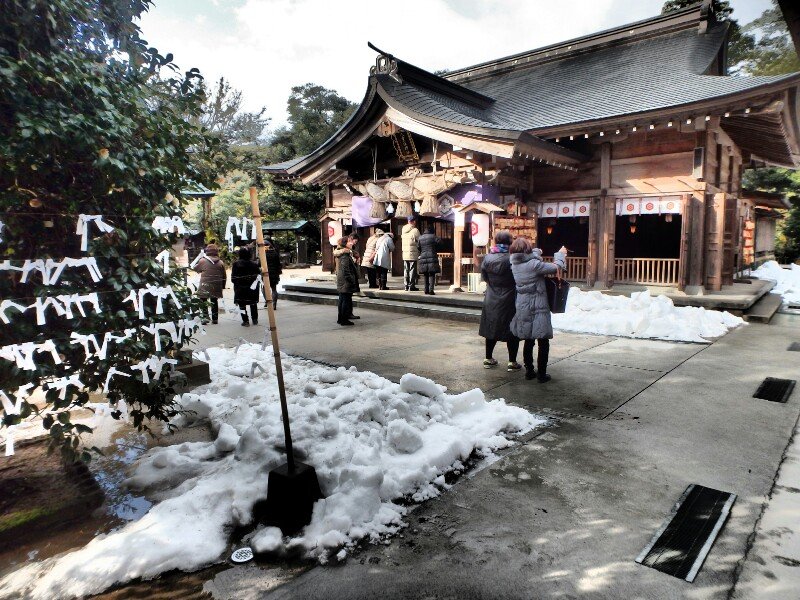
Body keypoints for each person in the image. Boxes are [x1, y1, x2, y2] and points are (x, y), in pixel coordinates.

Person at [509, 237, 567, 382]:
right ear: (528, 250)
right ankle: (542, 374)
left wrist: (537, 252)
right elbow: (556, 267)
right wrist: (560, 254)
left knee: (529, 340)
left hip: (523, 305)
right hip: (538, 306)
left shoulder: (514, 264)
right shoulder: (534, 265)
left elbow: (530, 259)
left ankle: (529, 371)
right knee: (543, 341)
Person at [479, 230, 521, 371]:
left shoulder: (487, 257)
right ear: (510, 242)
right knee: (512, 330)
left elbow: (485, 277)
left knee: (491, 328)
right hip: (510, 298)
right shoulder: (513, 258)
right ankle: (512, 362)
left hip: (491, 297)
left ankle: (488, 358)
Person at [194, 243, 226, 325]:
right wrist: (223, 286)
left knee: (203, 300)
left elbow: (196, 269)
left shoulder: (202, 260)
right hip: (216, 285)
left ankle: (205, 318)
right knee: (214, 301)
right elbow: (224, 276)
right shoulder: (221, 262)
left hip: (205, 285)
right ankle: (215, 319)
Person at [334, 236, 360, 326]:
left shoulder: (346, 252)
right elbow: (345, 269)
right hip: (345, 281)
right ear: (345, 243)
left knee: (343, 299)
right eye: (349, 241)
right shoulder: (344, 254)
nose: (351, 243)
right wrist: (351, 279)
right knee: (345, 299)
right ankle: (344, 319)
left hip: (342, 280)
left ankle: (341, 318)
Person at [231, 247, 260, 327]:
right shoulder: (254, 264)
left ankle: (245, 321)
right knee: (253, 303)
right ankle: (255, 319)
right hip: (252, 288)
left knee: (242, 304)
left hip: (240, 288)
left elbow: (233, 278)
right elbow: (258, 275)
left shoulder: (236, 264)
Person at [417, 226, 441, 295]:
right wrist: (435, 248)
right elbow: (440, 243)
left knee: (425, 274)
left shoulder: (420, 237)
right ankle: (431, 290)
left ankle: (426, 290)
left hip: (423, 256)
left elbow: (418, 247)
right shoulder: (433, 236)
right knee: (432, 274)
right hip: (432, 256)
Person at [401, 216, 421, 291]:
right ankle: (411, 286)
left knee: (406, 269)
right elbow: (419, 241)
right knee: (412, 270)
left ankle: (406, 285)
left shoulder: (403, 229)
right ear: (414, 221)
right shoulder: (415, 230)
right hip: (413, 253)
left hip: (405, 253)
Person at [264, 238, 282, 310]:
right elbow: (278, 264)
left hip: (265, 273)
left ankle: (267, 301)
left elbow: (259, 264)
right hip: (274, 273)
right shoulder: (275, 253)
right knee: (274, 289)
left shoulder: (263, 254)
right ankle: (274, 304)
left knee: (264, 288)